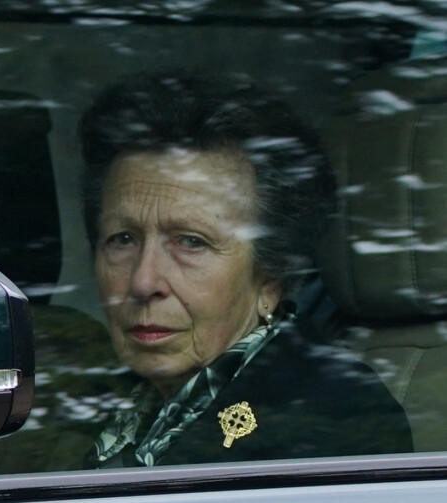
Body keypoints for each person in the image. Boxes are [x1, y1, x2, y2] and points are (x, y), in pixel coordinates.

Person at [78, 71, 413, 468]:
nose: (143, 281)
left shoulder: (331, 418)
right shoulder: (88, 400)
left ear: (270, 277)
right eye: (123, 239)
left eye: (191, 242)